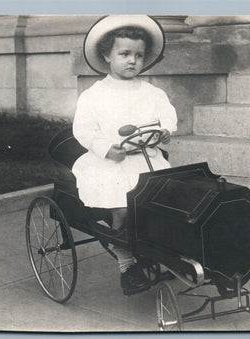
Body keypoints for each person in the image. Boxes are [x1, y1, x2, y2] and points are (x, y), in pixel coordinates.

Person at [72, 15, 177, 295]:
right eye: (125, 54)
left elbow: (167, 115)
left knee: (163, 204)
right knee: (122, 206)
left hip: (146, 158)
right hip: (111, 162)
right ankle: (126, 263)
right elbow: (83, 129)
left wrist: (166, 129)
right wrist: (107, 148)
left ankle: (154, 249)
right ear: (107, 55)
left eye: (139, 55)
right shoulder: (94, 95)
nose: (132, 60)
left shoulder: (152, 92)